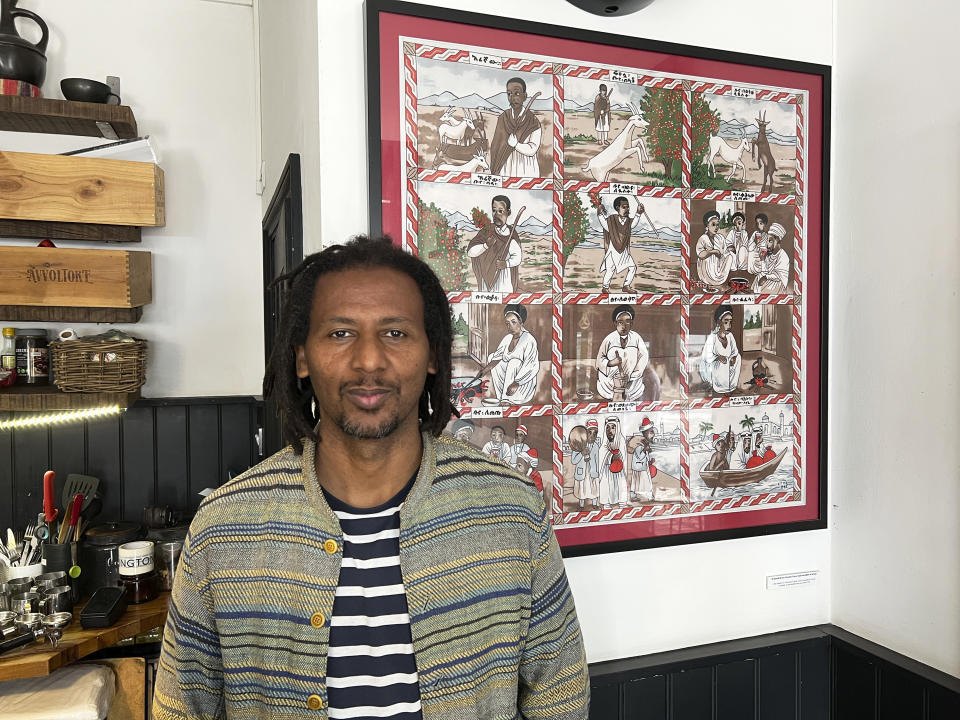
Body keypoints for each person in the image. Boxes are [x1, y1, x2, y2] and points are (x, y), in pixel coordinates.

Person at [153, 236, 588, 720]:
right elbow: (181, 708)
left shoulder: (512, 513)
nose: (368, 360)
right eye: (340, 333)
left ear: (432, 356)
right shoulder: (223, 530)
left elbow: (560, 697)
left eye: (396, 333)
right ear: (302, 357)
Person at [478, 304, 539, 405]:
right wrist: (483, 371)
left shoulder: (529, 340)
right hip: (508, 383)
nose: (510, 326)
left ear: (521, 322)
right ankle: (502, 396)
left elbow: (531, 366)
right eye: (507, 323)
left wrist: (516, 383)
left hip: (522, 385)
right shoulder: (507, 338)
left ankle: (507, 400)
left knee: (514, 362)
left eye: (513, 322)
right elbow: (497, 358)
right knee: (492, 356)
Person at [466, 195, 522, 292]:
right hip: (486, 282)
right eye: (494, 210)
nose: (496, 215)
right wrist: (486, 245)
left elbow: (517, 257)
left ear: (508, 212)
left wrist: (506, 263)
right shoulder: (487, 231)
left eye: (501, 211)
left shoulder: (511, 234)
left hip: (504, 281)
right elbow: (471, 252)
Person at [489, 76, 542, 177]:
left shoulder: (533, 121)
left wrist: (516, 145)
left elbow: (533, 148)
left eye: (517, 93)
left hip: (526, 169)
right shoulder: (503, 118)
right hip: (505, 168)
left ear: (524, 96)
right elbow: (496, 145)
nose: (512, 98)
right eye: (509, 94)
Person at [595, 304, 649, 401]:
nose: (623, 326)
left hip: (632, 383)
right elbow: (599, 360)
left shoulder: (637, 338)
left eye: (627, 322)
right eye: (620, 322)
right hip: (610, 382)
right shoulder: (609, 339)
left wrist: (632, 376)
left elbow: (643, 357)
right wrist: (611, 363)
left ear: (631, 323)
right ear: (615, 323)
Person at [597, 196, 644, 293]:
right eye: (624, 207)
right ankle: (605, 287)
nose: (627, 209)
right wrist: (599, 213)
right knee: (610, 269)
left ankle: (626, 286)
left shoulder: (628, 221)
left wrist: (638, 213)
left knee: (632, 267)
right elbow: (605, 225)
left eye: (628, 207)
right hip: (613, 249)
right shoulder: (612, 219)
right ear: (618, 208)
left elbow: (633, 224)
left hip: (623, 251)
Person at [698, 304, 742, 395]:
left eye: (730, 322)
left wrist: (733, 357)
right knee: (721, 362)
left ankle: (732, 386)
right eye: (726, 322)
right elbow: (706, 356)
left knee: (738, 357)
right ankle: (719, 387)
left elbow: (735, 351)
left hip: (727, 364)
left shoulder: (730, 336)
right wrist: (718, 357)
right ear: (719, 322)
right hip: (715, 366)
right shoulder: (712, 338)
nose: (729, 325)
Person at [695, 209, 735, 291]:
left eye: (717, 224)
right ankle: (710, 282)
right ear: (707, 226)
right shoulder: (703, 238)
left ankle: (719, 279)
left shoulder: (720, 237)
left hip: (717, 268)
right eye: (713, 224)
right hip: (706, 272)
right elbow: (700, 254)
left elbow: (724, 253)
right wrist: (712, 252)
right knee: (708, 257)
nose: (716, 227)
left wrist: (729, 249)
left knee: (730, 256)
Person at [598, 415, 629, 508]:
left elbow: (623, 456)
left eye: (613, 427)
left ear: (617, 428)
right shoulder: (604, 443)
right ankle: (606, 505)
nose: (610, 431)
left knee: (620, 487)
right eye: (607, 428)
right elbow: (602, 455)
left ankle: (622, 504)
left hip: (619, 471)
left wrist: (618, 456)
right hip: (607, 471)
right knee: (607, 487)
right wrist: (611, 455)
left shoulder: (621, 441)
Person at [752, 222, 790, 293]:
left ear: (777, 240)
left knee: (762, 284)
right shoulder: (770, 255)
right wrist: (762, 260)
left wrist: (766, 277)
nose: (767, 244)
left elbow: (779, 276)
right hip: (768, 281)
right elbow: (764, 271)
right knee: (759, 276)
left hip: (777, 284)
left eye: (770, 241)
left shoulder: (783, 256)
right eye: (767, 241)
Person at [568, 424, 598, 509]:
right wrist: (582, 454)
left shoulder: (596, 446)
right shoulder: (577, 444)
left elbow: (597, 459)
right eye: (590, 432)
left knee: (593, 488)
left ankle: (595, 504)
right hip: (582, 472)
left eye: (595, 433)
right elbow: (573, 461)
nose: (592, 436)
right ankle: (581, 505)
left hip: (592, 471)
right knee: (582, 489)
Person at [630, 416, 657, 502]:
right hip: (640, 468)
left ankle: (636, 494)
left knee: (638, 482)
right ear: (645, 433)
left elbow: (644, 456)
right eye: (651, 432)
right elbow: (639, 456)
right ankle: (648, 496)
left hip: (642, 467)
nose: (653, 434)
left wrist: (649, 461)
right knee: (644, 482)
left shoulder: (644, 443)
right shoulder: (640, 443)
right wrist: (645, 450)